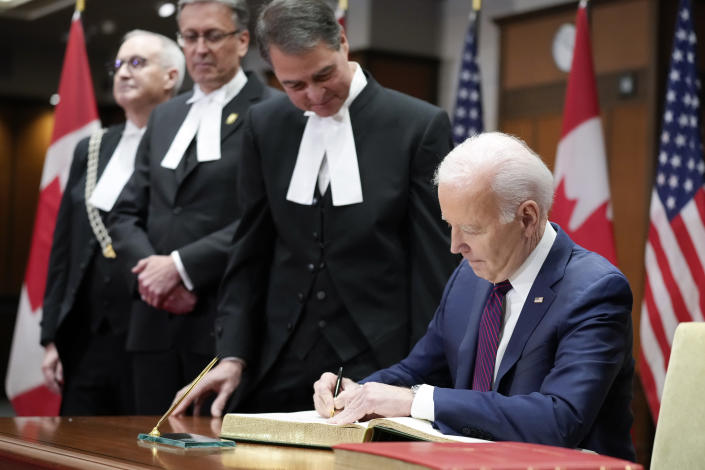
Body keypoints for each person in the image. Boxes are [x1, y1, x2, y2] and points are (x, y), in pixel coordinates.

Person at [172, 0, 458, 418]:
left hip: (380, 357)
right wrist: (232, 354)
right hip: (279, 356)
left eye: (323, 75)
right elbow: (249, 251)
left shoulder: (418, 125)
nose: (315, 94)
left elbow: (434, 267)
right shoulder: (265, 124)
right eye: (294, 85)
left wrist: (423, 375)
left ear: (342, 41)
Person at [312, 132, 637, 462]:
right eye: (450, 225)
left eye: (472, 229)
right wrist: (356, 392)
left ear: (527, 218)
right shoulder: (469, 277)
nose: (455, 246)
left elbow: (559, 421)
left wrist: (415, 401)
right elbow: (418, 371)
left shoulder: (595, 291)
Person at [107, 0, 279, 414]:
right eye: (190, 37)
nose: (200, 48)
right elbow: (125, 211)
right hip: (152, 319)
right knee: (143, 449)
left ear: (241, 42)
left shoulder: (273, 110)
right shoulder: (165, 116)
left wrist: (182, 266)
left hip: (224, 321)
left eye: (212, 35)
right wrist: (153, 273)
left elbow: (266, 218)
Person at [40, 30, 185, 415]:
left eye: (137, 63)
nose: (123, 73)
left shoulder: (185, 145)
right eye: (119, 64)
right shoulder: (92, 147)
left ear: (172, 76)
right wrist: (51, 336)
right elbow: (63, 248)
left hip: (154, 332)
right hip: (85, 337)